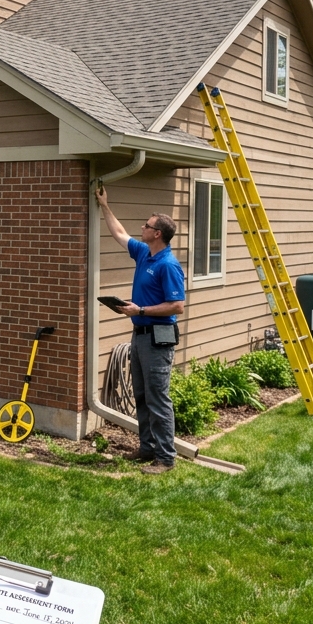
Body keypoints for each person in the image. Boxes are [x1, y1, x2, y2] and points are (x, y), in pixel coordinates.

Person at [94, 186, 185, 474]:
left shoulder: (168, 264)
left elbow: (177, 306)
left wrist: (141, 310)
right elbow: (120, 234)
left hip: (159, 339)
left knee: (159, 399)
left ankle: (166, 459)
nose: (141, 228)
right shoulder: (145, 254)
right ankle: (147, 449)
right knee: (143, 396)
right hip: (140, 336)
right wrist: (104, 205)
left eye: (146, 225)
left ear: (157, 233)